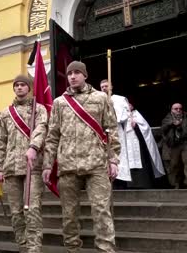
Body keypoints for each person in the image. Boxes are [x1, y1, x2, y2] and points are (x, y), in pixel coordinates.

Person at [43, 61, 120, 253]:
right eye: (70, 73)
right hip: (68, 166)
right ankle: (72, 249)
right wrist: (47, 165)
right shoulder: (60, 103)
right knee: (69, 215)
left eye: (77, 72)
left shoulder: (101, 98)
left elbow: (111, 130)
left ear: (85, 75)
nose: (72, 76)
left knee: (101, 211)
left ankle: (106, 249)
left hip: (96, 164)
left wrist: (113, 159)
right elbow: (52, 136)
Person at [0, 75, 48, 253]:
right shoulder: (5, 114)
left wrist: (33, 146)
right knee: (16, 213)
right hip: (10, 168)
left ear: (29, 88)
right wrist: (0, 168)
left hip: (32, 166)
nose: (19, 88)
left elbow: (42, 129)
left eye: (23, 85)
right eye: (16, 85)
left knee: (31, 210)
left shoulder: (39, 109)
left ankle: (34, 249)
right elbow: (0, 142)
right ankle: (23, 247)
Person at [126, 102, 165, 188]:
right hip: (128, 145)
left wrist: (136, 126)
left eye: (129, 104)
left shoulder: (137, 114)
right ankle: (132, 185)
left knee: (141, 162)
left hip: (138, 144)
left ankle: (144, 184)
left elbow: (145, 128)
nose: (127, 106)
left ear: (132, 106)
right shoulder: (122, 116)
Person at [100, 79, 131, 187]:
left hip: (117, 132)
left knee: (119, 156)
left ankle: (121, 183)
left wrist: (112, 116)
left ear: (111, 87)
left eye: (106, 86)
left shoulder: (119, 99)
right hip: (103, 133)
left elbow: (125, 115)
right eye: (102, 87)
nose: (104, 88)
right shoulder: (98, 100)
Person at [161, 103, 187, 189]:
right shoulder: (167, 118)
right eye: (176, 109)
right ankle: (175, 184)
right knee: (174, 165)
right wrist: (172, 124)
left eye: (180, 108)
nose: (178, 110)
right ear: (171, 110)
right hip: (173, 144)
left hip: (186, 142)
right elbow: (163, 129)